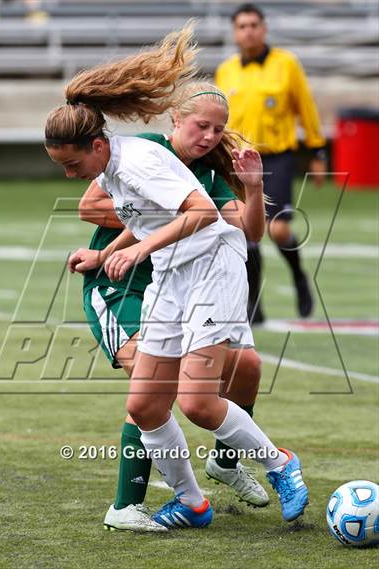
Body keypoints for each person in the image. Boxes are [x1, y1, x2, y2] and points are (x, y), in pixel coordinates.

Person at [44, 25, 309, 530]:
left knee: (197, 401)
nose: (69, 173)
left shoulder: (140, 161)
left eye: (73, 163)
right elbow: (145, 217)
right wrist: (113, 253)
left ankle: (281, 464)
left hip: (212, 270)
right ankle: (191, 501)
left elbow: (202, 214)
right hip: (172, 272)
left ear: (98, 146)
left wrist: (138, 246)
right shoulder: (122, 165)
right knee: (145, 404)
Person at [77, 80, 270, 532]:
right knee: (153, 389)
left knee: (248, 367)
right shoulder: (142, 151)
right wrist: (116, 249)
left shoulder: (207, 176)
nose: (209, 136)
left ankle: (224, 464)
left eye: (218, 130)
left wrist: (253, 191)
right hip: (121, 286)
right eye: (201, 126)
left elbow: (252, 232)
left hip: (182, 285)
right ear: (176, 121)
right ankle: (129, 505)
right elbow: (89, 207)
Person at [215, 3, 327, 323]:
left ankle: (298, 277)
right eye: (242, 26)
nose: (248, 30)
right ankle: (253, 303)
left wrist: (317, 152)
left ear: (264, 28)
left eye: (253, 24)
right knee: (247, 232)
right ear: (235, 33)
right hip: (238, 159)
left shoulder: (286, 64)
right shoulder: (227, 71)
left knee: (277, 230)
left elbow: (305, 107)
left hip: (276, 157)